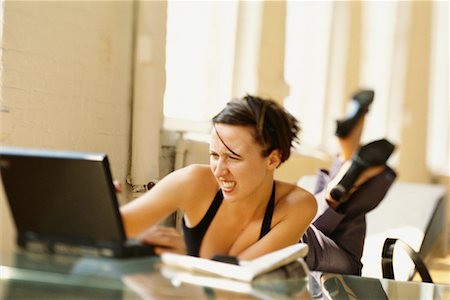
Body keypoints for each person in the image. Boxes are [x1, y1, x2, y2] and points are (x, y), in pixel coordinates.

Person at [120, 93, 396, 275]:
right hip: (290, 228)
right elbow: (115, 226)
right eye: (214, 154)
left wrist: (183, 260)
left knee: (348, 267)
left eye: (233, 157)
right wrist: (102, 204)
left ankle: (345, 164)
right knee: (345, 216)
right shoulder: (192, 179)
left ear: (273, 159)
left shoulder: (298, 204)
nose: (219, 169)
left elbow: (240, 273)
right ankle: (347, 159)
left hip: (297, 241)